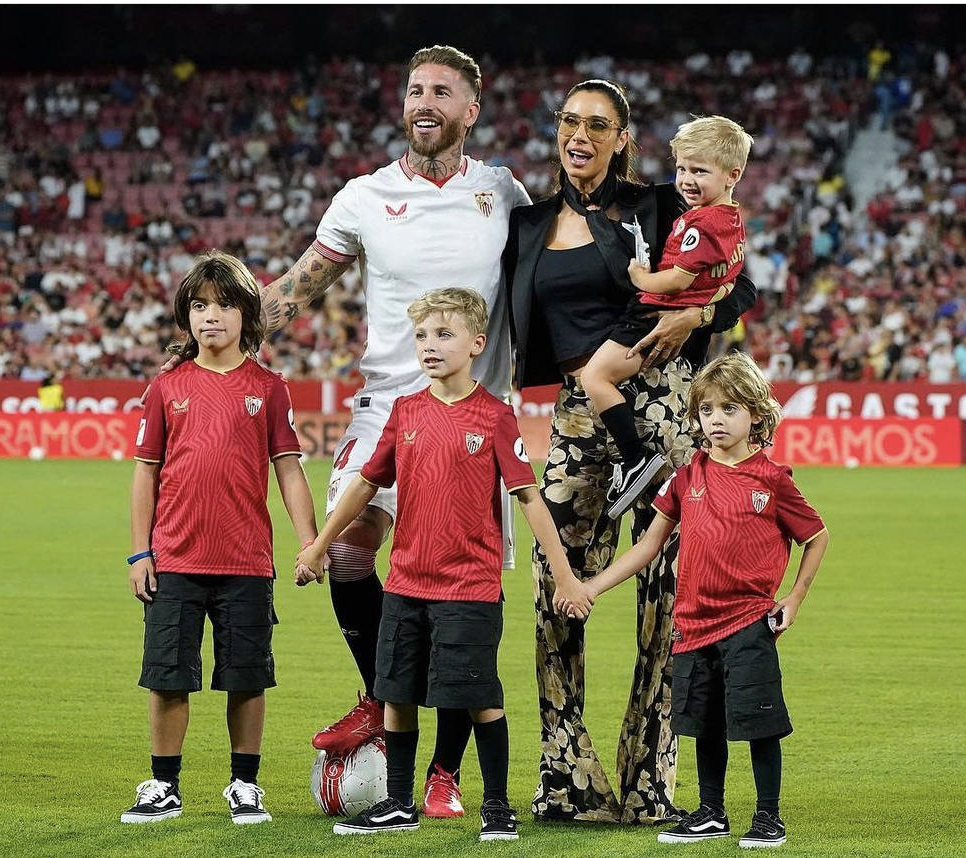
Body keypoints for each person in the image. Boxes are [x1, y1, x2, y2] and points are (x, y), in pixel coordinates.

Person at [257, 45, 532, 817]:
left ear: (469, 111)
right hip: (387, 406)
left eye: (442, 92)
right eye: (415, 89)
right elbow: (296, 288)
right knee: (349, 549)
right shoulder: (365, 197)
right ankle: (381, 695)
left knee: (455, 594)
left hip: (473, 416)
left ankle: (444, 772)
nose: (425, 101)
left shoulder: (502, 191)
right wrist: (212, 336)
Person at [503, 78, 757, 824]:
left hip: (667, 405)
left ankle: (651, 787)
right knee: (556, 590)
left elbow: (739, 285)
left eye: (599, 124)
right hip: (579, 419)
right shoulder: (527, 225)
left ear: (623, 139)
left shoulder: (659, 205)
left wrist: (698, 314)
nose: (581, 134)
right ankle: (568, 780)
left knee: (670, 602)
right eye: (570, 122)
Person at [295, 288, 586, 841]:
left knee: (478, 696)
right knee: (398, 694)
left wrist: (565, 576)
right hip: (407, 583)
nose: (429, 345)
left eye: (443, 335)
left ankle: (497, 808)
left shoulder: (496, 416)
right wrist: (319, 545)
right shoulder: (405, 413)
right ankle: (399, 803)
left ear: (477, 344)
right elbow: (366, 485)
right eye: (422, 335)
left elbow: (529, 498)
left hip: (469, 587)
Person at [580, 351, 829, 848]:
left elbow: (817, 536)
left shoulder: (773, 480)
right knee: (704, 724)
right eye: (707, 410)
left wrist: (794, 598)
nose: (716, 420)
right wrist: (592, 586)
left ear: (756, 414)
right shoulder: (688, 476)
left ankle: (768, 817)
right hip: (692, 624)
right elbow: (648, 545)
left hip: (749, 621)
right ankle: (711, 812)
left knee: (758, 722)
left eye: (729, 409)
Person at [121, 251, 318, 825]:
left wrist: (309, 539)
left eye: (226, 304)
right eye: (201, 305)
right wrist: (140, 552)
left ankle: (244, 784)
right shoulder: (166, 388)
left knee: (247, 677)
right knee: (167, 676)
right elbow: (145, 472)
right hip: (175, 559)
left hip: (246, 561)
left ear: (247, 314)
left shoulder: (269, 387)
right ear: (187, 315)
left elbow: (288, 467)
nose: (212, 316)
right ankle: (163, 786)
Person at [580, 115, 752, 518]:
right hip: (663, 322)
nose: (687, 179)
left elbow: (678, 280)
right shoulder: (729, 220)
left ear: (733, 174)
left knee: (595, 376)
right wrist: (713, 295)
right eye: (681, 169)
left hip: (653, 319)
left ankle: (635, 458)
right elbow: (728, 277)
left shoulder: (696, 219)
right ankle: (636, 459)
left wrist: (642, 276)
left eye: (699, 171)